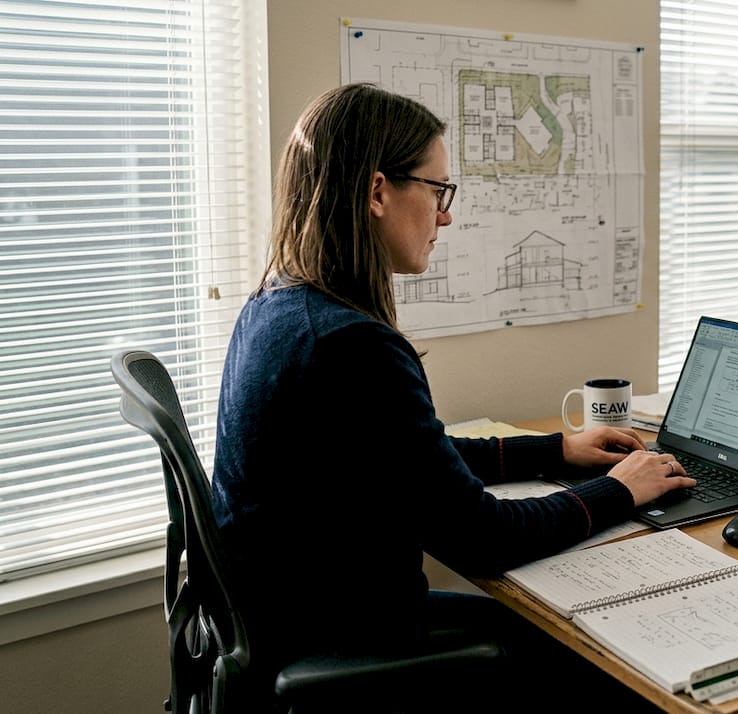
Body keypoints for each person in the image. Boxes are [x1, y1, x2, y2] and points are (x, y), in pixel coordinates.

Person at [210, 82, 694, 710]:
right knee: (601, 656)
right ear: (378, 191)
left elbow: (407, 459)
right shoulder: (350, 344)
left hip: (291, 619)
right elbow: (483, 538)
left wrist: (556, 450)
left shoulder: (278, 306)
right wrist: (621, 489)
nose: (446, 215)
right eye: (438, 191)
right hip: (345, 634)